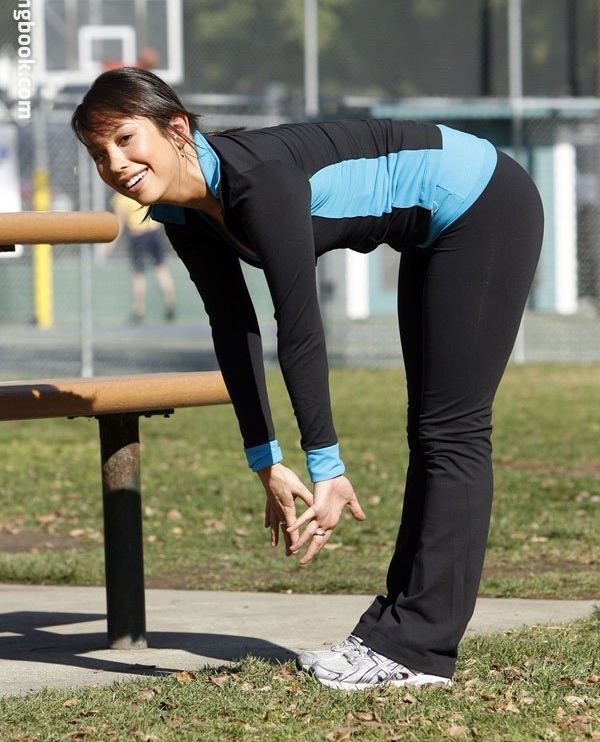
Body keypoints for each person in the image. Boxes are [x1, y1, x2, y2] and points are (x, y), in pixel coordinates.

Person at [72, 68, 544, 691]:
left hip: (483, 200)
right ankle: (398, 636)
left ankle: (417, 649)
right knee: (431, 433)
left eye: (126, 139)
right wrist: (265, 460)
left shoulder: (258, 182)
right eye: (99, 153)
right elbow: (233, 327)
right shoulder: (181, 211)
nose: (115, 163)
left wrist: (327, 465)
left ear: (176, 127)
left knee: (451, 432)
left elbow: (297, 326)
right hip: (432, 227)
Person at [109, 191, 177, 323]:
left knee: (138, 274)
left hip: (138, 236)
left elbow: (119, 221)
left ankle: (138, 310)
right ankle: (170, 304)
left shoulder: (121, 197)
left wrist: (111, 244)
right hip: (153, 233)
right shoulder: (143, 189)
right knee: (161, 269)